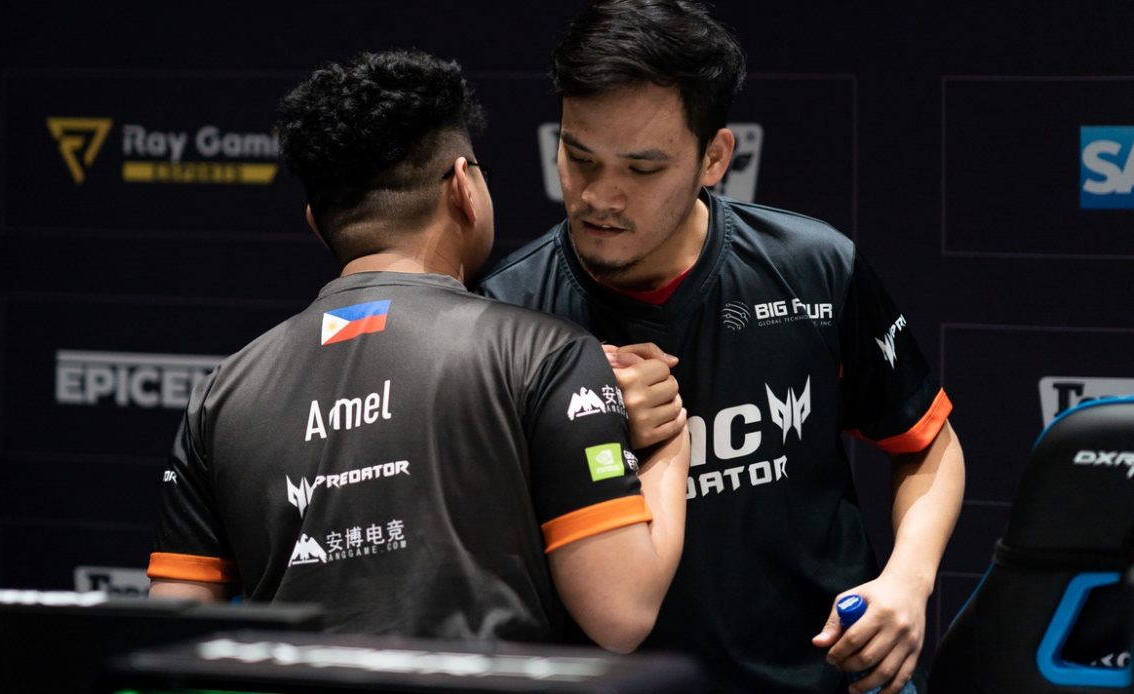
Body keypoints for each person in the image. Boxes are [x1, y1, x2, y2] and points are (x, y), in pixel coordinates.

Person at [475, 1, 966, 691]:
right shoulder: (503, 314)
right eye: (579, 158)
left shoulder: (815, 267)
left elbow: (928, 443)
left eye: (642, 169)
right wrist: (584, 427)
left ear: (714, 157)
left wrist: (908, 582)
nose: (600, 197)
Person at [145, 49, 690, 654]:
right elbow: (621, 613)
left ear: (316, 222)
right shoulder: (544, 353)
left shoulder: (220, 396)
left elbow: (170, 636)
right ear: (463, 187)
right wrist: (669, 444)